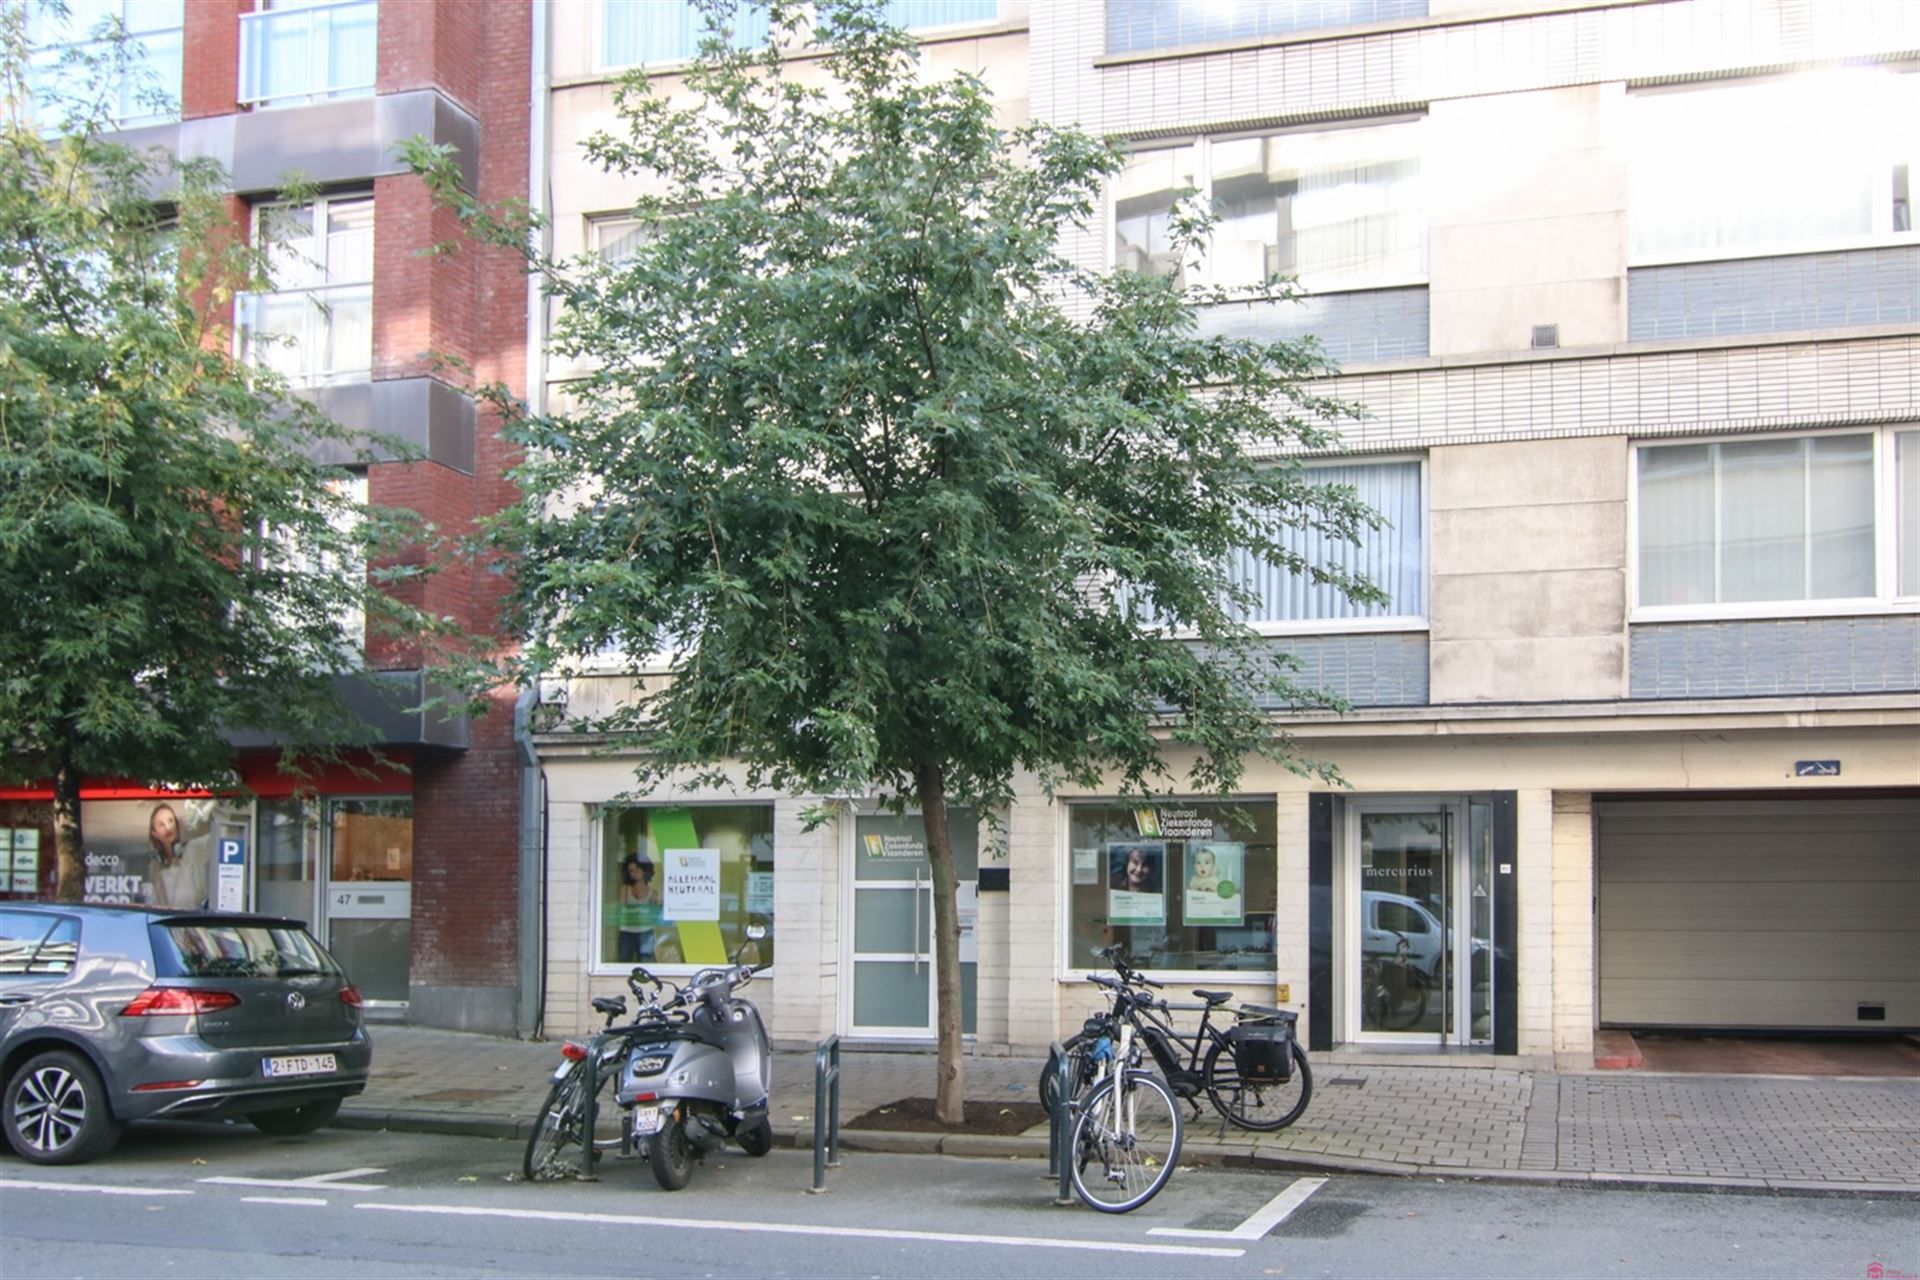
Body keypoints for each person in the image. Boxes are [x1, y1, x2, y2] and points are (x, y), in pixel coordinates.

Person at [148, 803, 209, 911]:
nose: (168, 827)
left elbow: (217, 836)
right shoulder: (155, 866)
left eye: (170, 821)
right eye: (161, 824)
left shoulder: (192, 850)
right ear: (155, 834)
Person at [615, 852, 661, 963]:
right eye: (631, 870)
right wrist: (641, 912)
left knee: (647, 962)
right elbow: (622, 911)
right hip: (626, 932)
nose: (635, 873)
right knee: (624, 962)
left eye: (637, 869)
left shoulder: (653, 893)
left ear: (644, 869)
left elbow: (653, 916)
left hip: (646, 931)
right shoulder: (625, 889)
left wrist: (635, 912)